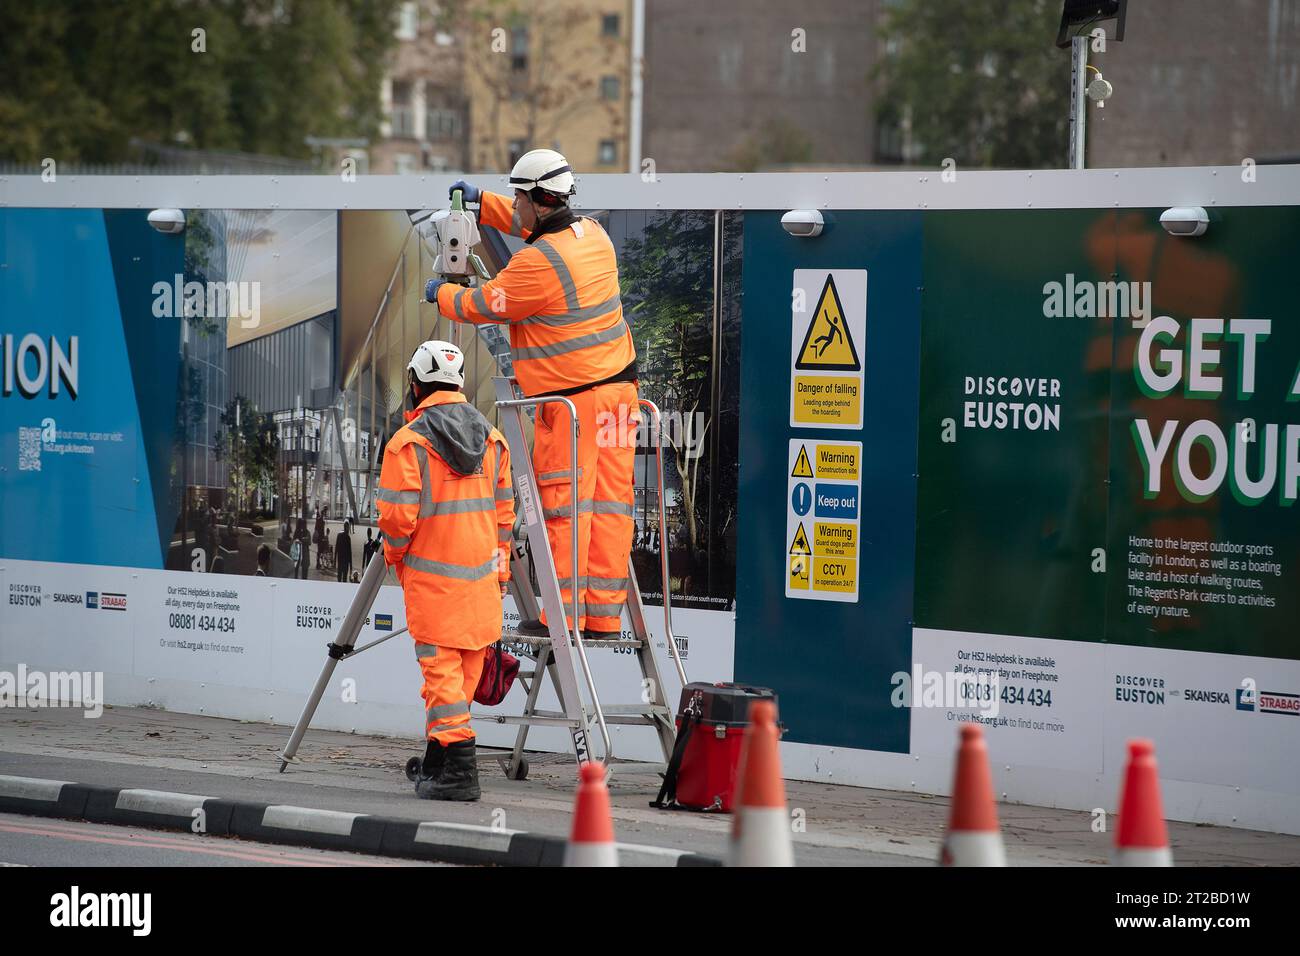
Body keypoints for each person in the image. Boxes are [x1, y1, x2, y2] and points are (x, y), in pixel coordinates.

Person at [427, 149, 637, 641]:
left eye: (517, 197)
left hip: (572, 408)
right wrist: (484, 206)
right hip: (619, 397)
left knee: (565, 509)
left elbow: (481, 304)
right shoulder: (593, 237)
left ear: (539, 200)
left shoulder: (537, 266)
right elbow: (533, 229)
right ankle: (602, 617)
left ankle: (559, 621)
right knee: (609, 506)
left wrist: (440, 292)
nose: (514, 205)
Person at [377, 340, 514, 801]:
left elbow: (397, 521)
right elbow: (504, 520)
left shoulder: (408, 444)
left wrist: (398, 559)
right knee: (461, 680)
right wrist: (499, 576)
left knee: (441, 677)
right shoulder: (494, 440)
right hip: (481, 590)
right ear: (458, 386)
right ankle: (440, 757)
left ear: (415, 387)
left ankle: (460, 771)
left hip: (434, 587)